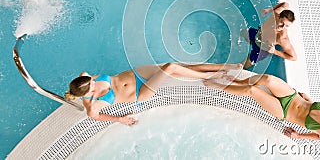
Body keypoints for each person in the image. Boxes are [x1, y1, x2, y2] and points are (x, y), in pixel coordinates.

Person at [65, 63, 241, 125]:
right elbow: (98, 117)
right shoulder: (92, 107)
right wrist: (121, 119)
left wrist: (89, 81)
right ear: (87, 94)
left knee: (180, 67)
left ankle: (224, 66)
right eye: (92, 86)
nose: (94, 82)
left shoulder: (85, 79)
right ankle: (211, 76)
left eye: (93, 81)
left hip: (135, 73)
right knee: (171, 68)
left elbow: (84, 73)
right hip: (140, 93)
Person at [203, 74, 320, 143]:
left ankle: (218, 86)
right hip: (293, 97)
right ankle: (237, 80)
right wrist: (310, 100)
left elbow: (319, 138)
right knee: (267, 79)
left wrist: (299, 136)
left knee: (252, 91)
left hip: (284, 112)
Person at [241, 2, 297, 69]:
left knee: (242, 66)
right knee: (241, 33)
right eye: (282, 23)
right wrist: (269, 10)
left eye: (286, 26)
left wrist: (275, 51)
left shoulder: (282, 38)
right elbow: (285, 4)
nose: (282, 27)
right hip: (257, 34)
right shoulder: (276, 13)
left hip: (261, 49)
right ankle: (250, 42)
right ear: (279, 16)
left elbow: (294, 57)